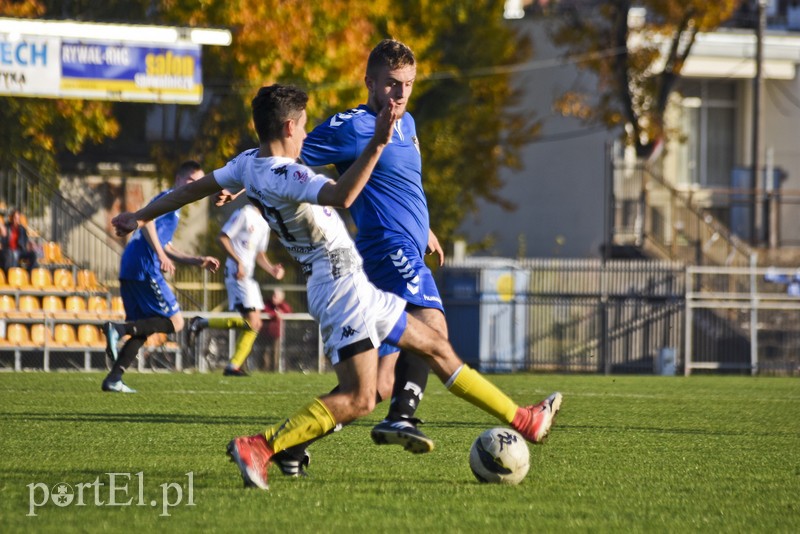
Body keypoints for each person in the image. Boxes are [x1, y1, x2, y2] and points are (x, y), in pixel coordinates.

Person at [111, 84, 562, 490]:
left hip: (351, 285)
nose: (307, 136)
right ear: (289, 126)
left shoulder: (247, 164)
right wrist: (379, 142)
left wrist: (141, 215)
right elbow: (343, 195)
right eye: (304, 127)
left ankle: (525, 420)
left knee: (436, 347)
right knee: (360, 397)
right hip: (340, 288)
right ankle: (262, 447)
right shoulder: (286, 174)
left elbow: (194, 190)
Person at [299, 39, 444, 454]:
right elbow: (287, 154)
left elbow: (403, 184)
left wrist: (426, 229)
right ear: (370, 82)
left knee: (375, 385)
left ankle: (291, 445)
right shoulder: (351, 126)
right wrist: (237, 184)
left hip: (409, 246)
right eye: (392, 84)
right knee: (433, 327)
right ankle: (402, 418)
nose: (400, 94)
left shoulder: (409, 123)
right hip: (386, 248)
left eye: (409, 84)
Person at [101, 161, 220, 393]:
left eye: (199, 183)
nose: (196, 187)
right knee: (176, 322)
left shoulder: (175, 207)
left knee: (142, 327)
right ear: (178, 180)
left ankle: (114, 378)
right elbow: (146, 222)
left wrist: (196, 260)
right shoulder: (169, 198)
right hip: (145, 267)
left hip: (131, 265)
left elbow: (166, 245)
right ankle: (118, 330)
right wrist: (159, 253)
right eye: (192, 181)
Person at [187, 204, 285, 376]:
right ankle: (202, 324)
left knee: (255, 324)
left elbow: (259, 254)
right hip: (236, 273)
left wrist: (271, 269)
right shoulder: (245, 213)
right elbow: (223, 237)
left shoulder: (264, 223)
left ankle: (232, 364)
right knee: (253, 322)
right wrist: (238, 261)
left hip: (248, 277)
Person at [260, 288, 293, 371]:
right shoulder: (267, 304)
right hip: (265, 334)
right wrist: (275, 314)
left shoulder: (283, 305)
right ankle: (264, 369)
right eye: (273, 295)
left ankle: (275, 369)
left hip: (277, 334)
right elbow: (264, 310)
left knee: (276, 353)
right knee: (264, 353)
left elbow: (289, 311)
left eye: (276, 296)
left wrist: (280, 309)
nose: (273, 298)